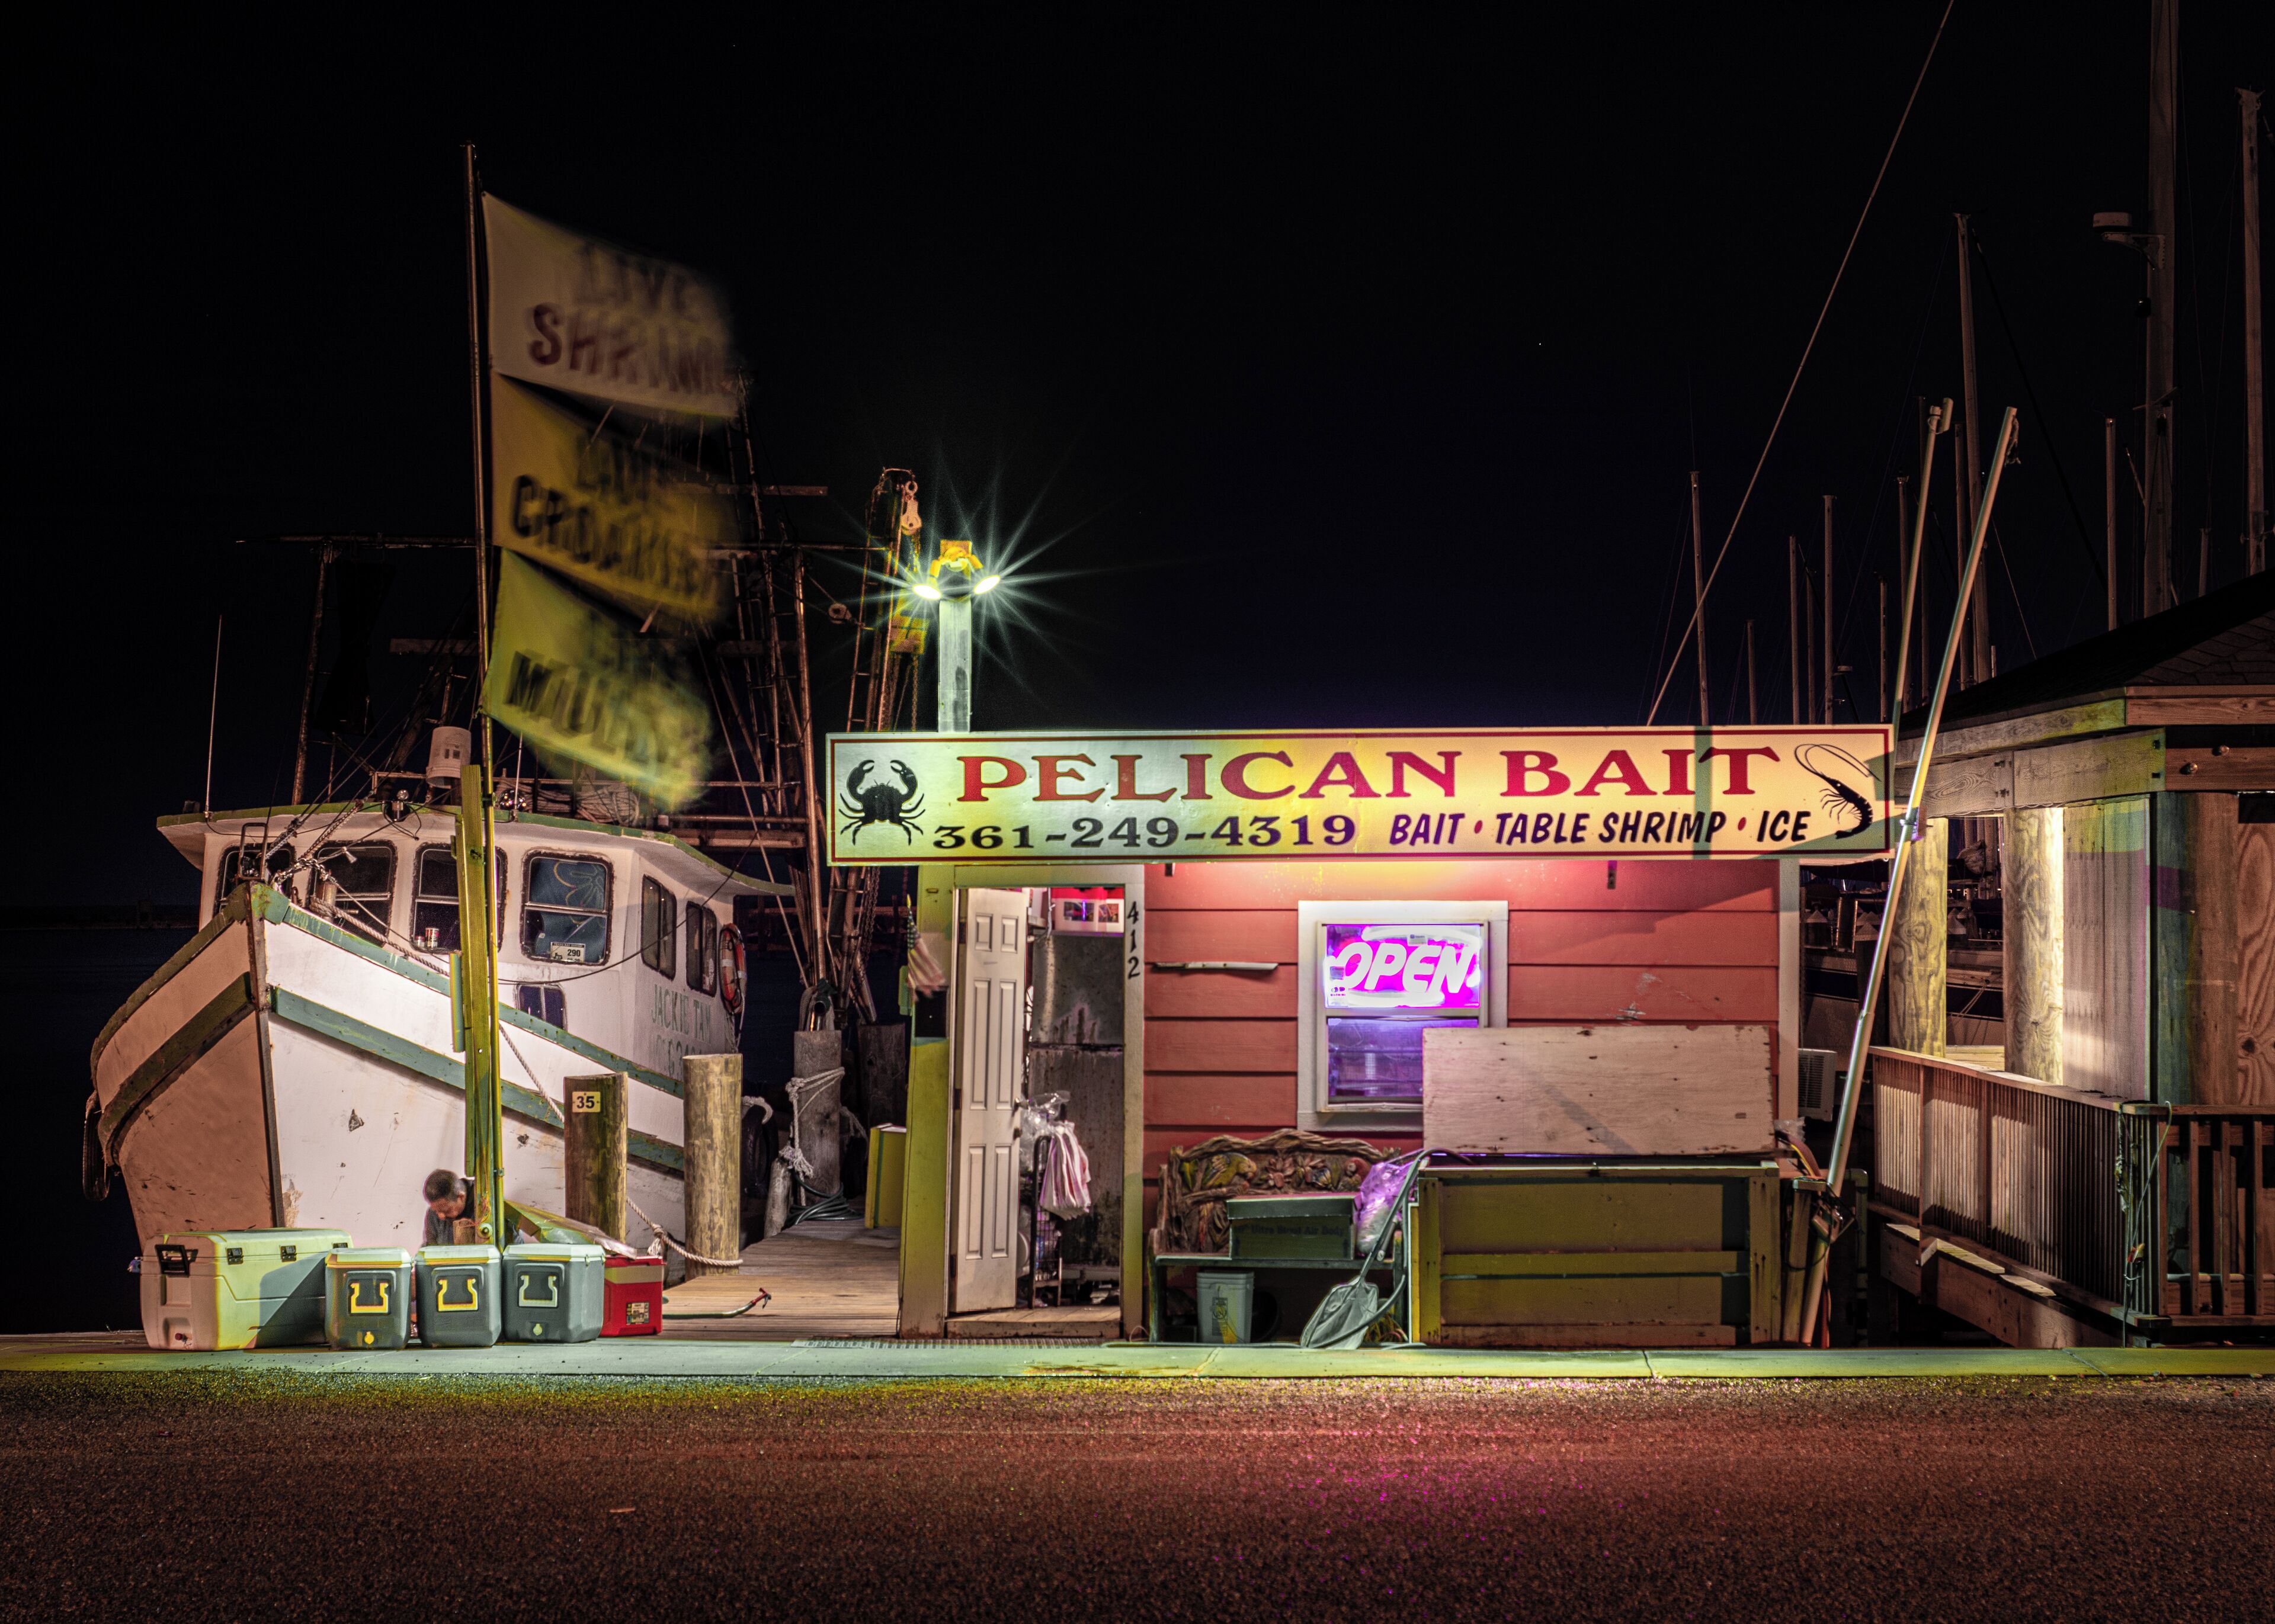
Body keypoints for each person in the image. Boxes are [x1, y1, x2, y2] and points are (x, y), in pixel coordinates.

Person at [422, 1168, 478, 1247]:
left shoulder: (483, 1207)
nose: (441, 1216)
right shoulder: (433, 1214)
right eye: (437, 1211)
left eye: (446, 1211)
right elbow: (430, 1248)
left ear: (461, 1197)